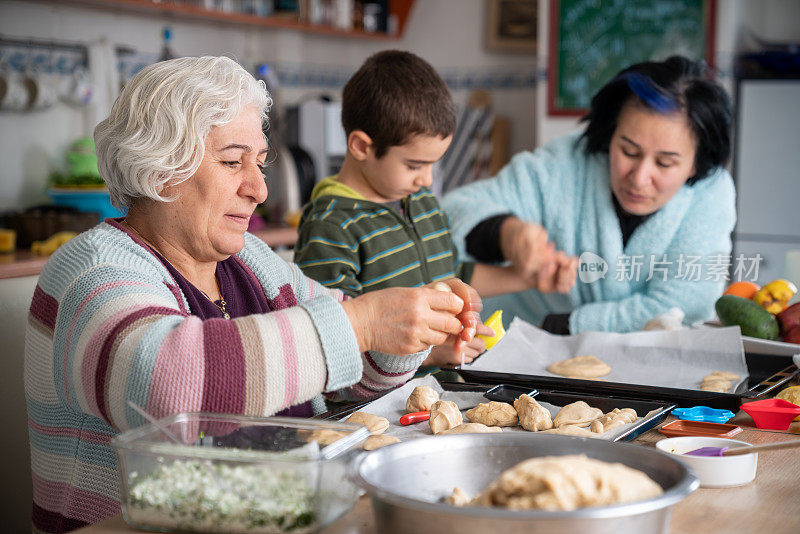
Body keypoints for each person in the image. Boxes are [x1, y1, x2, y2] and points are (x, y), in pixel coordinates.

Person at [24, 56, 481, 533]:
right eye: (231, 162)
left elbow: (350, 375)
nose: (260, 189)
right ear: (158, 167)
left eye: (259, 164)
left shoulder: (251, 261)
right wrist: (361, 323)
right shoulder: (94, 271)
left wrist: (405, 326)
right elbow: (168, 388)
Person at [293, 50, 576, 367]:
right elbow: (330, 340)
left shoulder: (421, 202)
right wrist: (426, 355)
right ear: (362, 147)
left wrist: (530, 279)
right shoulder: (331, 227)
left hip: (442, 396)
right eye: (414, 165)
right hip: (378, 410)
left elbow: (455, 273)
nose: (427, 179)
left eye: (433, 165)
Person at [442, 56, 735, 334]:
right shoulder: (565, 164)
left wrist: (569, 325)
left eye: (664, 163)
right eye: (628, 151)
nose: (639, 177)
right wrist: (507, 234)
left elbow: (686, 305)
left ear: (698, 162)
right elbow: (450, 214)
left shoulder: (711, 193)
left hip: (629, 360)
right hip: (514, 346)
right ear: (610, 134)